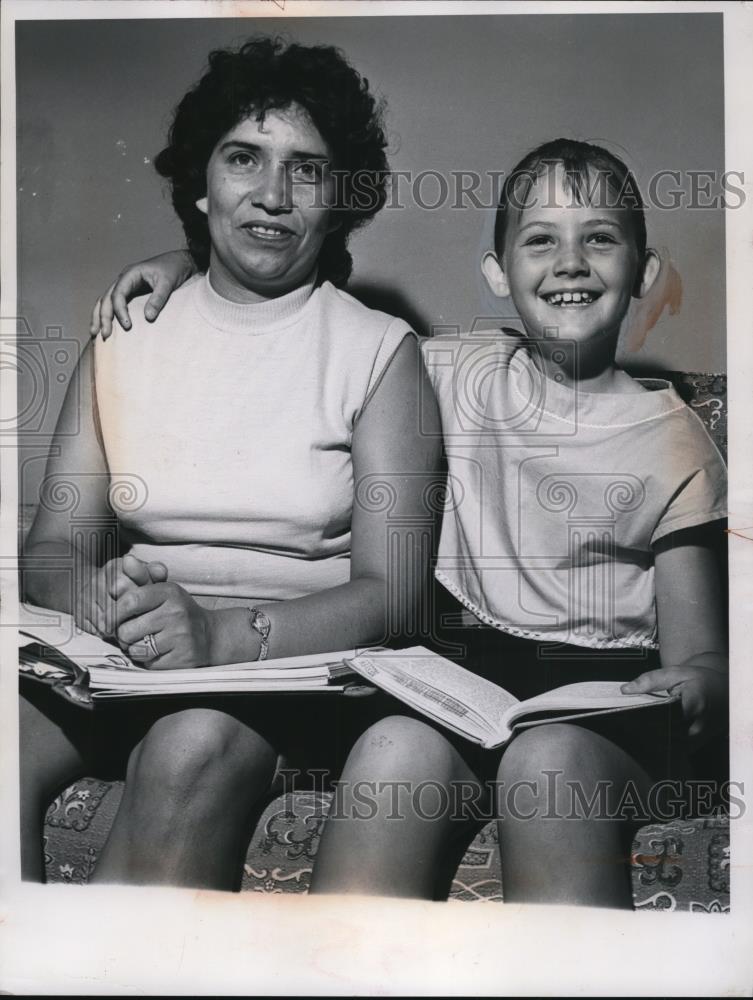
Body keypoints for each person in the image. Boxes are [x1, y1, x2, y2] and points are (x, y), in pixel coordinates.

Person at [102, 139, 728, 907]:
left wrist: (697, 685)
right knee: (388, 750)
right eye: (540, 240)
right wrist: (187, 266)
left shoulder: (673, 439)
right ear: (496, 272)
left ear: (642, 270)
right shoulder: (453, 371)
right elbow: (306, 309)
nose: (569, 262)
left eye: (598, 238)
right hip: (462, 690)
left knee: (547, 766)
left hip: (603, 708)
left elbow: (702, 655)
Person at [20, 35, 442, 891]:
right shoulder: (128, 333)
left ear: (339, 199)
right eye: (244, 157)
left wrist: (217, 636)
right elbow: (52, 548)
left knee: (189, 744)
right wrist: (99, 600)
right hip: (122, 666)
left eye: (308, 169)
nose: (273, 195)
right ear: (201, 185)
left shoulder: (379, 352)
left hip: (283, 676)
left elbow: (395, 591)